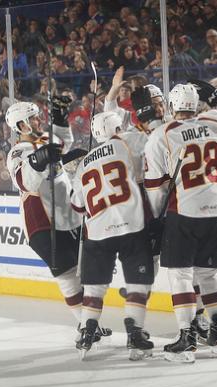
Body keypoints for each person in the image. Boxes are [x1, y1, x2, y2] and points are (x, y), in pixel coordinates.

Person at [144, 82, 217, 363]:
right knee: (209, 273)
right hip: (216, 213)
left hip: (185, 212)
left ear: (171, 106)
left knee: (180, 275)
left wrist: (156, 217)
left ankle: (187, 338)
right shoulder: (215, 120)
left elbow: (156, 186)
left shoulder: (162, 134)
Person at [5, 101, 111, 346]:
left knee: (85, 271)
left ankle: (90, 323)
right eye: (32, 118)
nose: (38, 120)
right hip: (43, 223)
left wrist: (61, 119)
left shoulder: (43, 138)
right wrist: (37, 161)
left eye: (38, 116)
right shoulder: (17, 152)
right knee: (67, 276)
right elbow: (25, 182)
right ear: (20, 125)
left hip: (69, 216)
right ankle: (86, 326)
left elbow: (63, 142)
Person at [70, 112, 155, 360]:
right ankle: (135, 333)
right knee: (138, 286)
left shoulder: (84, 164)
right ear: (118, 126)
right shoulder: (128, 140)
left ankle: (87, 331)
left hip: (97, 232)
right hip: (131, 225)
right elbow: (151, 149)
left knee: (94, 290)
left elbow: (77, 205)